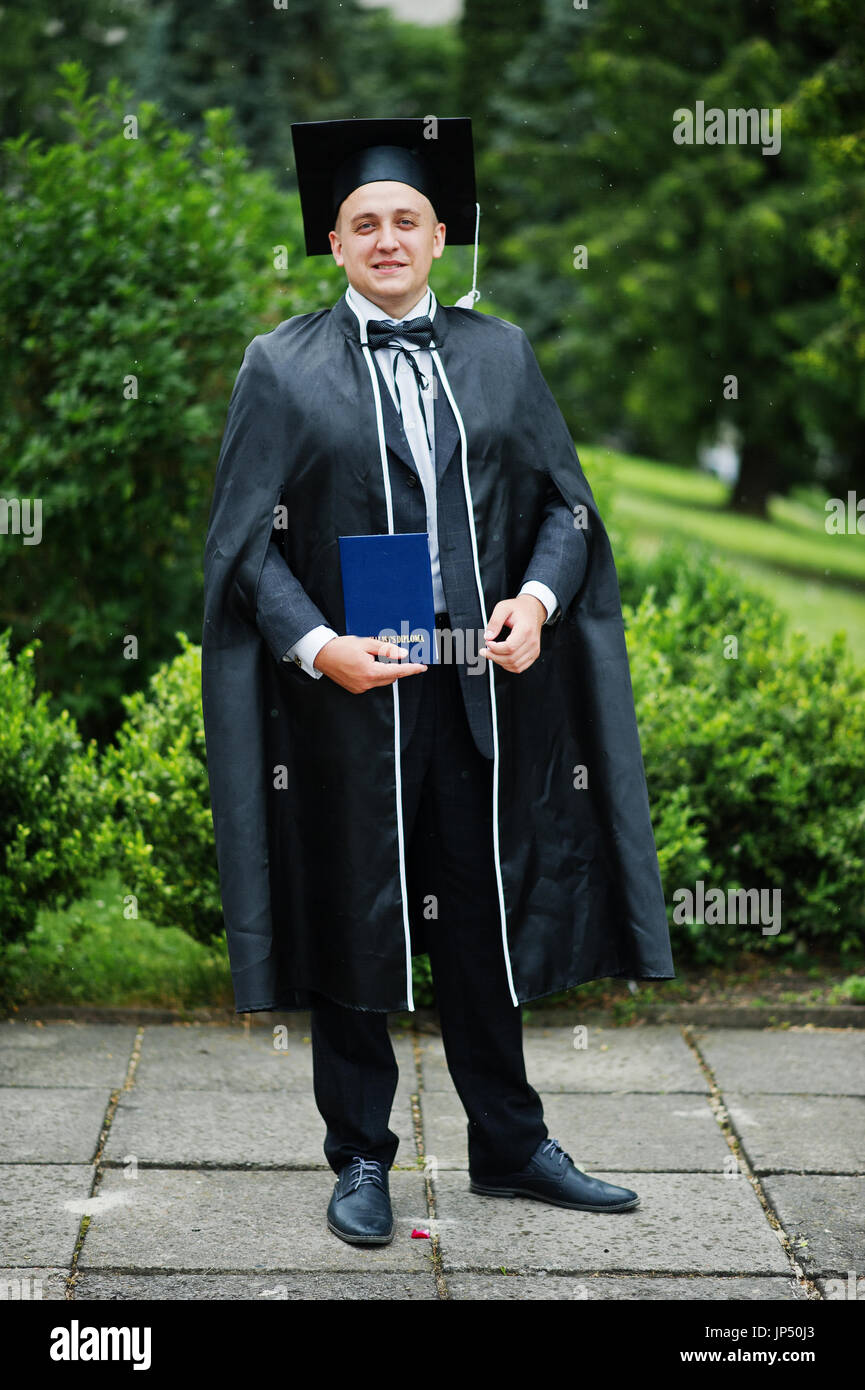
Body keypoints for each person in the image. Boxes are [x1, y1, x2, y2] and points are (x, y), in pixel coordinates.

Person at [201, 117, 675, 1247]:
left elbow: (567, 506)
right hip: (351, 707)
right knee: (357, 921)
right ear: (333, 242)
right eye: (363, 222)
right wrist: (321, 647)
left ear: (439, 233)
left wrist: (538, 603)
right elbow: (241, 550)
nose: (386, 238)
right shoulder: (280, 366)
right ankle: (360, 1155)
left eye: (405, 220)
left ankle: (510, 1146)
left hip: (481, 704)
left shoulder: (499, 353)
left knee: (482, 921)